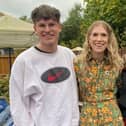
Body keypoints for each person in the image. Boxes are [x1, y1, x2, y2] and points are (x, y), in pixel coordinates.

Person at [9, 4, 79, 126]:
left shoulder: (69, 56)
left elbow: (75, 93)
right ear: (35, 28)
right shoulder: (24, 61)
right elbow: (18, 104)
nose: (47, 30)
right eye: (42, 25)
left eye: (51, 24)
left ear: (59, 27)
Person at [74, 20, 124, 125]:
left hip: (112, 117)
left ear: (109, 39)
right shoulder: (78, 63)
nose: (99, 39)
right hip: (88, 117)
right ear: (89, 38)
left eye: (103, 35)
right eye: (95, 35)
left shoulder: (118, 63)